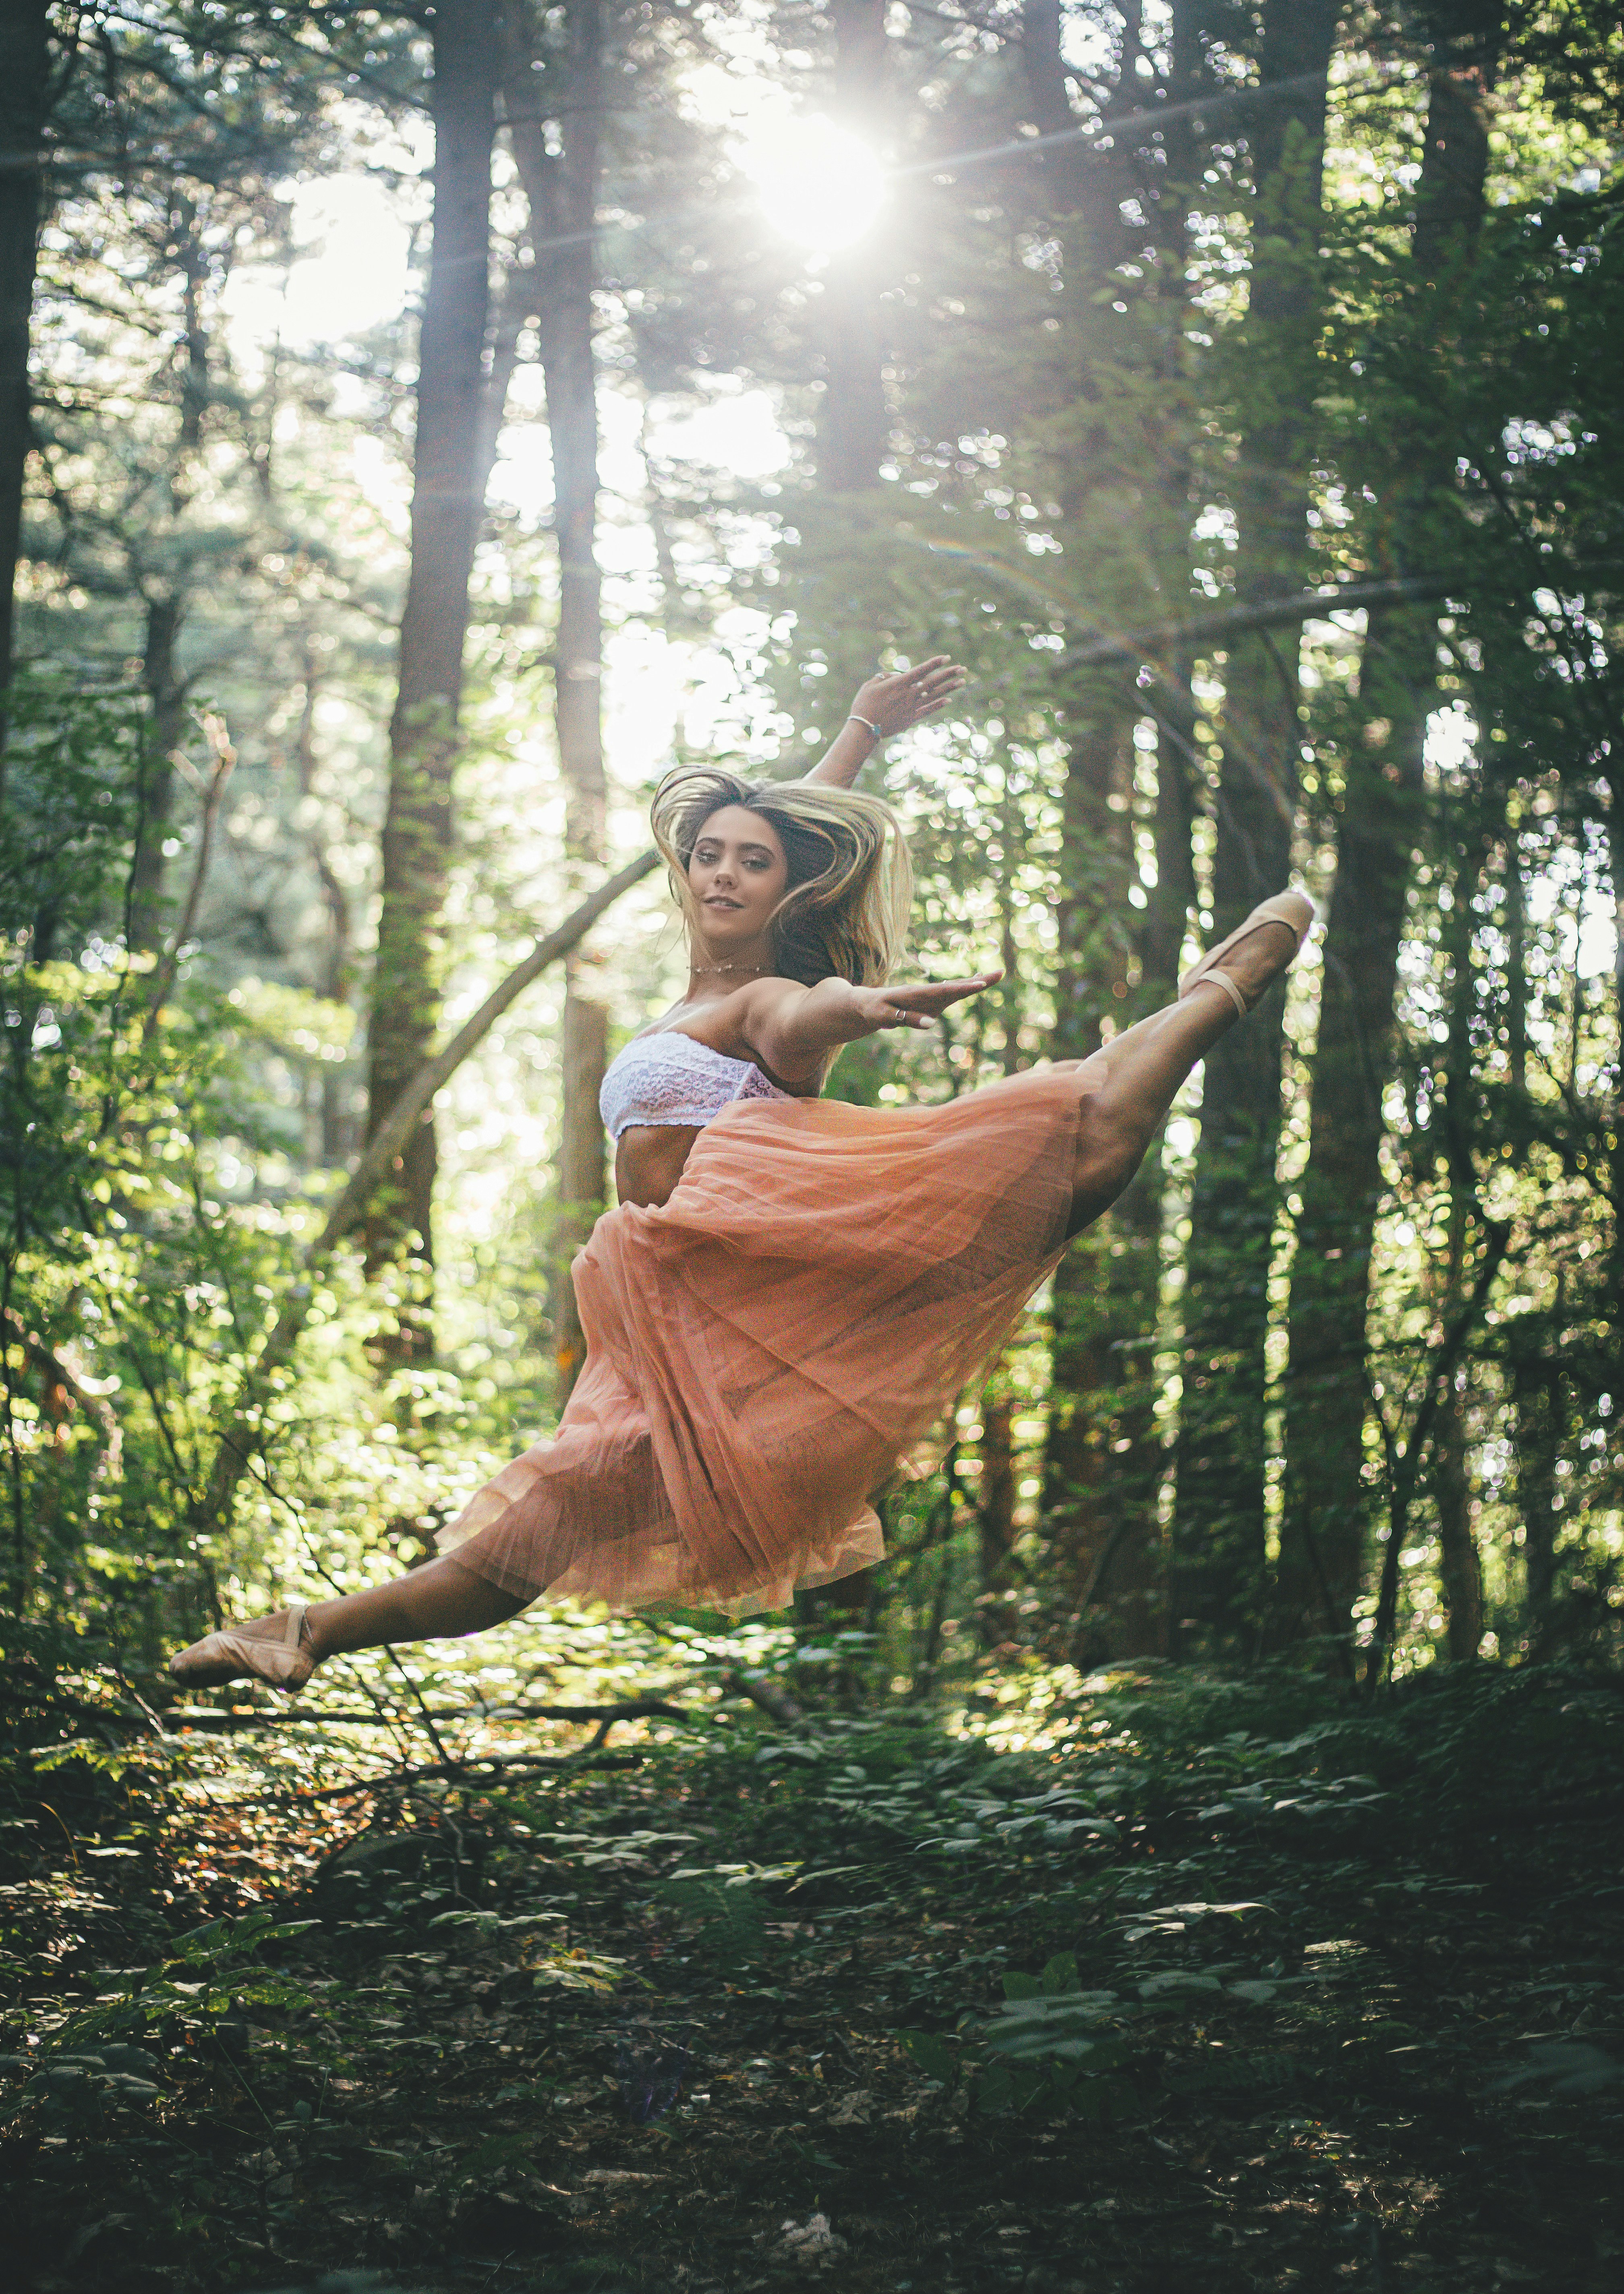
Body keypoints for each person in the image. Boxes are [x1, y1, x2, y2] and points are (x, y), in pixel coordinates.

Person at [170, 656, 1312, 1691]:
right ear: (687, 871)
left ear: (788, 896)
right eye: (707, 855)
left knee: (1085, 1138)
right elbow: (770, 834)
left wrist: (860, 1008)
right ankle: (303, 1632)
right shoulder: (692, 991)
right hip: (658, 1326)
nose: (723, 873)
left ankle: (1223, 988)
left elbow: (806, 1011)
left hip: (742, 1275)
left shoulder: (764, 1004)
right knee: (533, 1539)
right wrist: (859, 728)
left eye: (751, 865)